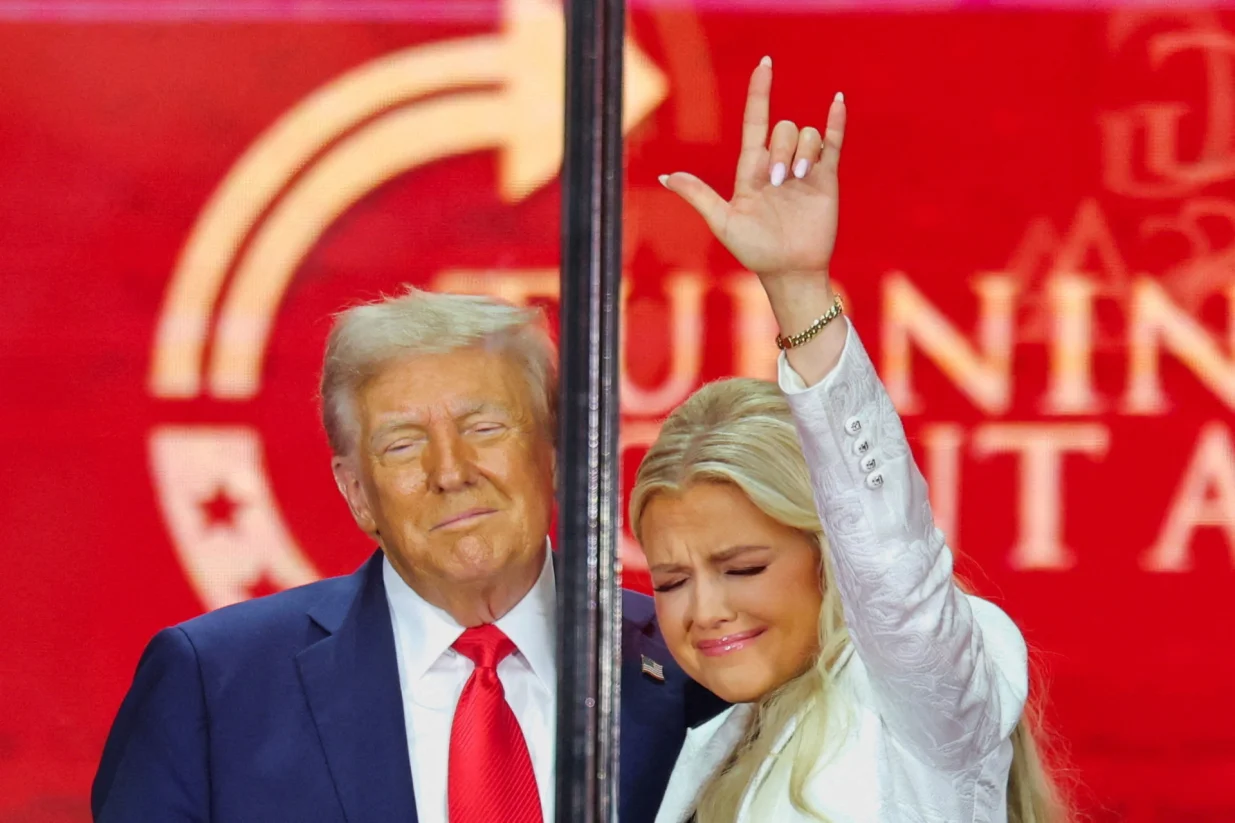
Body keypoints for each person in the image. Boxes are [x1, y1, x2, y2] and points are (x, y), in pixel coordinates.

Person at [92, 289, 724, 822]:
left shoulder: (693, 664)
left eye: (484, 428)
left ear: (554, 454)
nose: (449, 472)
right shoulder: (215, 685)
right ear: (357, 492)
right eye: (401, 445)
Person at [633, 57, 1069, 822]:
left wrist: (798, 290)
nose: (703, 609)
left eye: (740, 565)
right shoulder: (705, 746)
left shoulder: (910, 706)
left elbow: (896, 578)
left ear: (829, 550)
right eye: (669, 580)